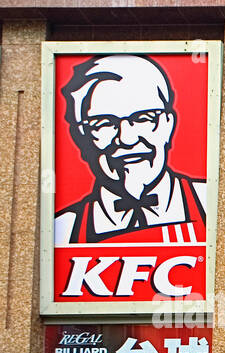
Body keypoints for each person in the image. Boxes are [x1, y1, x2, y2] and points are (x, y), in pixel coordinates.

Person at [53, 54, 207, 245]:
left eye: (143, 118)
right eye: (104, 123)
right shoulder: (63, 230)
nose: (127, 139)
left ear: (168, 125)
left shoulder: (211, 205)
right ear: (82, 136)